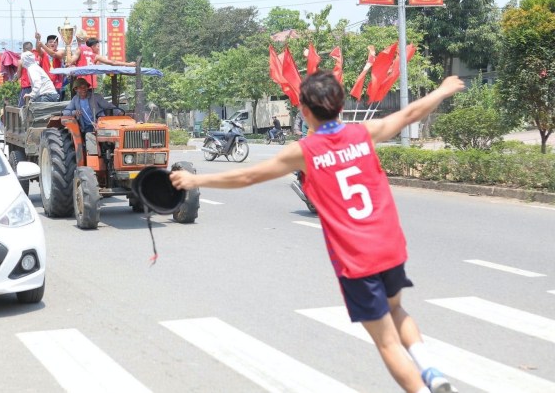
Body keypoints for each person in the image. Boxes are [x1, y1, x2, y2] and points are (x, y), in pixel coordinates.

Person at [171, 71, 465, 393]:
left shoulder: (305, 151)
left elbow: (246, 178)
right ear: (340, 106)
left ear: (305, 111)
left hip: (357, 261)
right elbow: (410, 113)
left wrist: (196, 180)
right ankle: (432, 371)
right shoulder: (364, 132)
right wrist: (442, 90)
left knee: (386, 343)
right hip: (390, 245)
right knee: (396, 308)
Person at [35, 33, 66, 100]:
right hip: (47, 86)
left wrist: (42, 45)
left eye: (55, 42)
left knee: (58, 108)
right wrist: (37, 39)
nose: (52, 43)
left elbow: (53, 54)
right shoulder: (44, 53)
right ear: (47, 43)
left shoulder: (61, 52)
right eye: (50, 42)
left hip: (58, 85)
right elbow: (38, 49)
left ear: (57, 44)